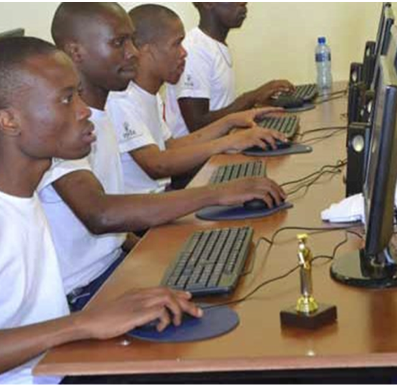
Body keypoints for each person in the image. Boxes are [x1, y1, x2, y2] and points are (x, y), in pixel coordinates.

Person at [0, 37, 201, 384]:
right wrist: (82, 322)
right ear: (9, 121)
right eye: (66, 99)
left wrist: (94, 320)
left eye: (78, 94)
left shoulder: (25, 183)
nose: (84, 110)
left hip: (59, 366)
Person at [47, 2, 287, 311]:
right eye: (119, 43)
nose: (134, 53)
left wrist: (158, 254)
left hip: (115, 266)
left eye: (132, 41)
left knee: (243, 274)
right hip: (85, 293)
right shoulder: (65, 128)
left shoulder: (101, 115)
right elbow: (101, 214)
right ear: (75, 51)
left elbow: (111, 235)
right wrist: (220, 193)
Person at [106, 3, 288, 195]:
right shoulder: (121, 100)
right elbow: (157, 165)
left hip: (161, 198)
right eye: (176, 44)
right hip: (145, 213)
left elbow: (169, 146)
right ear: (146, 50)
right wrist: (229, 142)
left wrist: (231, 121)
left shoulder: (149, 96)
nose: (184, 53)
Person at [166, 3, 294, 138]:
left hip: (222, 144)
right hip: (201, 156)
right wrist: (251, 98)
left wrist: (257, 103)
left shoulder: (213, 44)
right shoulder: (194, 50)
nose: (243, 3)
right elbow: (198, 125)